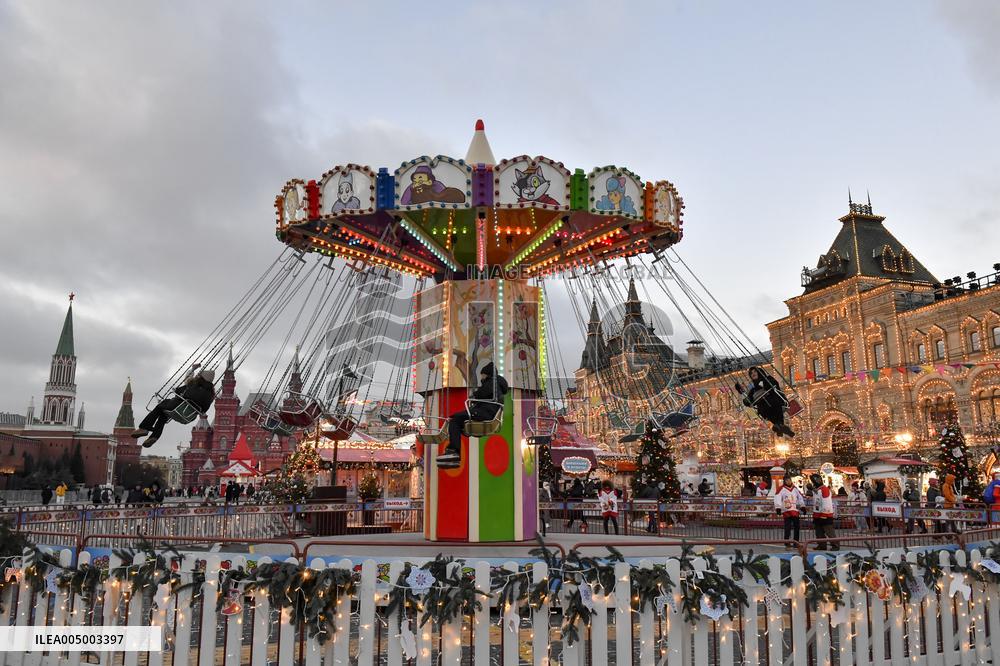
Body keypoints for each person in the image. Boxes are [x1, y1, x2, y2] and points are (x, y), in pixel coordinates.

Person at [439, 362, 509, 469]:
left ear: (487, 374)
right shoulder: (497, 384)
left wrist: (474, 394)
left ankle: (454, 452)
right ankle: (453, 450)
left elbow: (480, 394)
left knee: (454, 420)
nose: (481, 377)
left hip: (485, 413)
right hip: (487, 412)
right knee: (457, 420)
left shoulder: (492, 383)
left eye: (483, 375)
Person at [132, 364, 216, 447]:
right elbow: (204, 409)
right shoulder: (210, 395)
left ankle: (144, 428)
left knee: (160, 406)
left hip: (177, 408)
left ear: (201, 378)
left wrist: (192, 369)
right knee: (163, 415)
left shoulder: (194, 385)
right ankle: (154, 436)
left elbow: (183, 384)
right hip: (188, 417)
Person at [735, 366, 794, 437]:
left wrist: (763, 383)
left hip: (775, 402)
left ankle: (779, 427)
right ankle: (780, 427)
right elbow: (748, 401)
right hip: (765, 409)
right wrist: (742, 392)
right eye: (751, 373)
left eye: (755, 372)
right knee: (765, 410)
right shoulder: (753, 389)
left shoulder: (768, 379)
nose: (753, 374)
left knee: (773, 405)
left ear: (759, 372)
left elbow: (774, 384)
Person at [809, 473, 838, 550]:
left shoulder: (824, 489)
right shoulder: (818, 490)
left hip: (825, 514)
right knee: (819, 532)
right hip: (817, 514)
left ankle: (835, 545)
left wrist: (824, 514)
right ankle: (822, 545)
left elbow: (826, 502)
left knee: (829, 531)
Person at [774, 475, 805, 546]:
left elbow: (800, 497)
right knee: (787, 527)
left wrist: (802, 506)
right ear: (784, 481)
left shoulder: (795, 489)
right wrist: (778, 508)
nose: (788, 482)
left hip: (795, 510)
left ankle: (796, 542)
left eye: (789, 480)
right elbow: (777, 498)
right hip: (786, 510)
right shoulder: (781, 489)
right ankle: (787, 542)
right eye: (787, 480)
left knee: (797, 527)